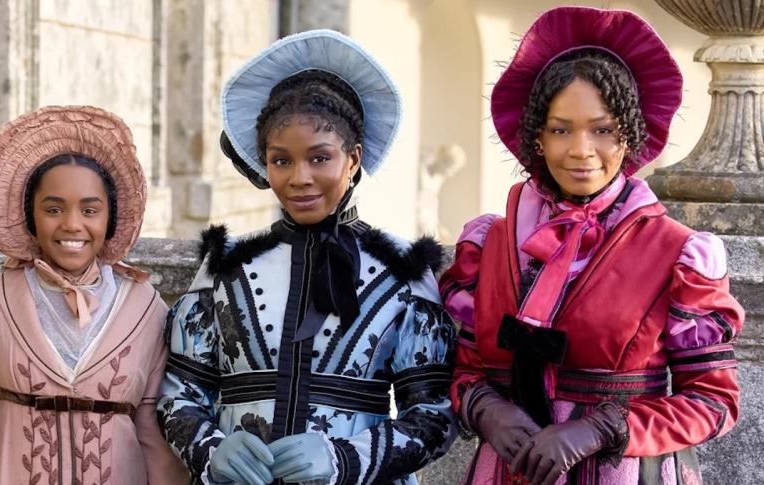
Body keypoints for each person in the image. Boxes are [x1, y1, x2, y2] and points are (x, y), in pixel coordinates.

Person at [441, 7, 744, 485]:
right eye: (561, 129)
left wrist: (602, 428)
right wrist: (488, 411)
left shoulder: (678, 255)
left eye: (602, 130)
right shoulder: (491, 243)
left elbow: (713, 401)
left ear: (630, 136)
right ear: (537, 137)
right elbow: (463, 370)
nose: (581, 149)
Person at [158, 30, 457, 485]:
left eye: (319, 159)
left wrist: (345, 458)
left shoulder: (403, 271)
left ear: (353, 159)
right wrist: (210, 449)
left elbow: (434, 416)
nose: (300, 178)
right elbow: (179, 393)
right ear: (264, 162)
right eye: (281, 161)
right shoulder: (226, 264)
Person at [0, 105, 188, 484]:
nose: (72, 224)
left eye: (90, 209)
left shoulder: (146, 307)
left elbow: (152, 433)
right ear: (30, 215)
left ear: (110, 218)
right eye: (54, 209)